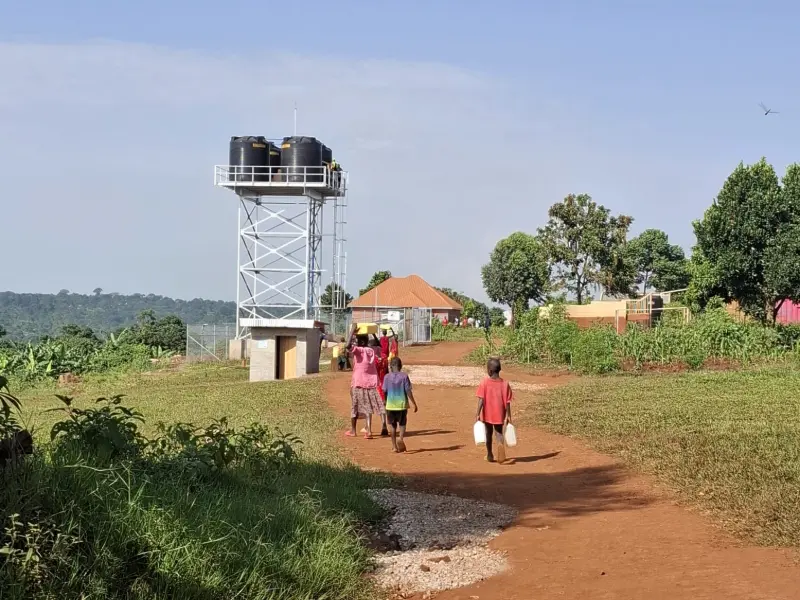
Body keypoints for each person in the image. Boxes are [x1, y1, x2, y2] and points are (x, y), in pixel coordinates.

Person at [346, 331, 385, 439]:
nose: (356, 342)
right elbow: (379, 345)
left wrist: (352, 332)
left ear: (361, 341)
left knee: (354, 406)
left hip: (358, 382)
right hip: (371, 382)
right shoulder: (371, 350)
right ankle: (369, 431)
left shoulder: (359, 350)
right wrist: (373, 334)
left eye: (357, 340)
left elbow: (347, 346)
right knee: (368, 407)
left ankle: (353, 430)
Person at [475, 357, 513, 464]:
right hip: (500, 413)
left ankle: (490, 454)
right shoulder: (505, 384)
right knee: (499, 433)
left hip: (487, 413)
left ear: (489, 371)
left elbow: (481, 399)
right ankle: (500, 445)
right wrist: (509, 416)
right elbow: (508, 401)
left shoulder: (484, 383)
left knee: (488, 434)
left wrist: (477, 413)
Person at [382, 357, 418, 453]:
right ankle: (401, 438)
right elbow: (408, 391)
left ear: (390, 366)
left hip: (390, 405)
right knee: (402, 424)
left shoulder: (386, 377)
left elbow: (384, 391)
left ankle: (394, 447)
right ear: (401, 366)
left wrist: (385, 401)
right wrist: (414, 403)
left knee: (392, 426)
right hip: (402, 405)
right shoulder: (404, 376)